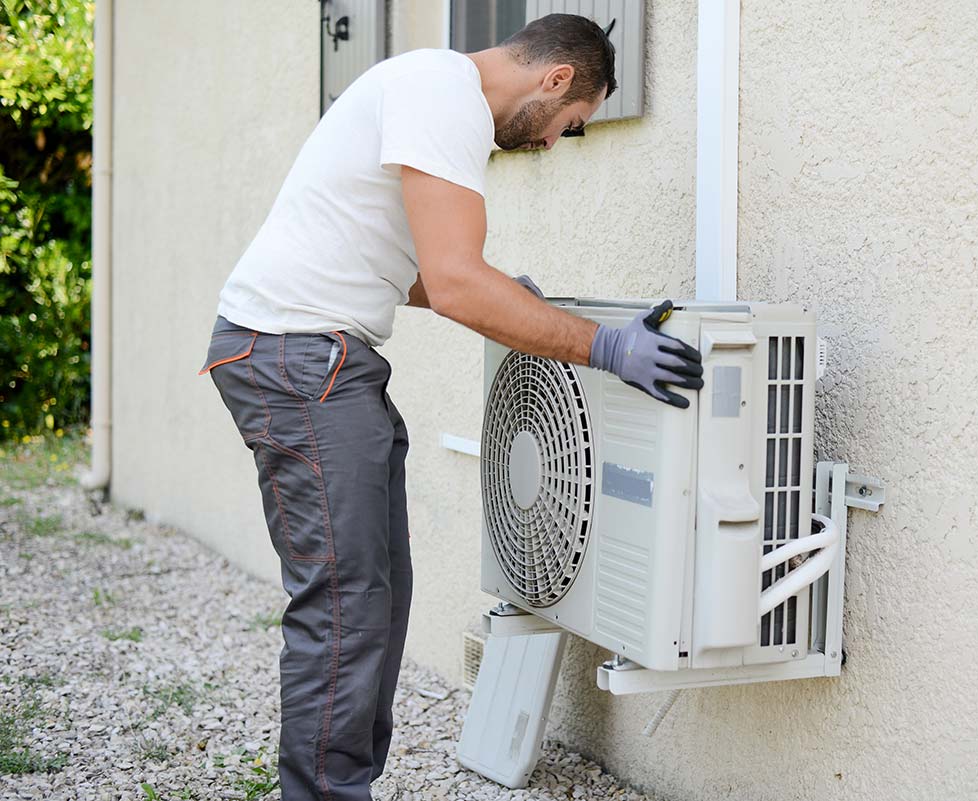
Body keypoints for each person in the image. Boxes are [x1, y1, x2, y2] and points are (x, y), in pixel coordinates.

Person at [198, 13, 703, 801]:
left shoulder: (425, 90)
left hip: (311, 356)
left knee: (377, 592)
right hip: (301, 361)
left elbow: (404, 271)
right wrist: (606, 347)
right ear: (556, 79)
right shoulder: (444, 96)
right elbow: (461, 282)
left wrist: (509, 300)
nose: (552, 144)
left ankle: (341, 785)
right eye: (571, 128)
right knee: (346, 604)